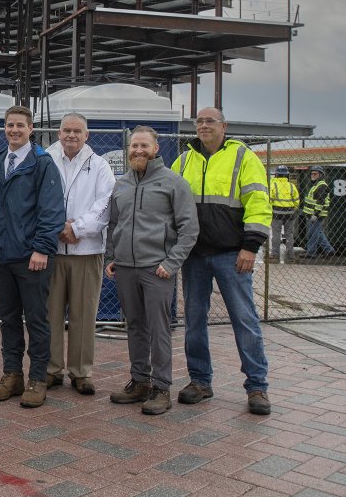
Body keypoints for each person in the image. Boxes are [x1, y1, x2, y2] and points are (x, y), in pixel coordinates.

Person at [171, 107, 273, 415]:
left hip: (232, 255)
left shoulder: (243, 157)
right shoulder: (185, 158)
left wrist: (251, 247)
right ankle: (200, 381)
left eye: (210, 121)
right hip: (194, 256)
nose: (203, 126)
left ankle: (257, 387)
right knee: (194, 321)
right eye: (199, 122)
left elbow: (258, 201)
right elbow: (169, 199)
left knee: (244, 320)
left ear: (223, 126)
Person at [105, 127, 198, 415]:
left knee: (159, 330)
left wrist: (171, 264)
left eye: (144, 145)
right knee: (135, 326)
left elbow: (189, 229)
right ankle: (140, 381)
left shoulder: (173, 183)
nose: (138, 151)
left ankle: (161, 387)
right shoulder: (121, 183)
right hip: (125, 269)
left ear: (156, 149)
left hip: (156, 270)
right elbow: (114, 224)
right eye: (134, 146)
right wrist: (111, 256)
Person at [0, 106, 64, 409]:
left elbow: (52, 209)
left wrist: (42, 248)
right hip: (2, 255)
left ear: (31, 128)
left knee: (36, 319)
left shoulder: (43, 164)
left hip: (31, 257)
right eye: (9, 125)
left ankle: (38, 379)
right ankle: (12, 375)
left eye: (20, 125)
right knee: (8, 320)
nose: (14, 130)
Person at [45, 113, 115, 396]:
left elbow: (106, 203)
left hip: (87, 251)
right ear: (58, 133)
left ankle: (80, 372)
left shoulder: (99, 166)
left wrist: (78, 228)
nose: (71, 135)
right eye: (66, 130)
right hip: (51, 251)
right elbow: (38, 199)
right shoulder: (46, 160)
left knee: (84, 315)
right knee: (49, 314)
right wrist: (55, 228)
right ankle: (50, 369)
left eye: (77, 131)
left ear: (87, 135)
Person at [269, 165, 300, 263]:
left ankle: (275, 254)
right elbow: (296, 200)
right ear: (287, 175)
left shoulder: (273, 185)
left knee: (276, 234)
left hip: (276, 212)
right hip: (290, 213)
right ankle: (290, 255)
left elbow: (269, 199)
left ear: (276, 175)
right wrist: (293, 208)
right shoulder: (292, 186)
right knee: (289, 235)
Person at [302, 167, 335, 259]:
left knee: (312, 234)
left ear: (320, 175)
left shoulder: (321, 186)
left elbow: (321, 201)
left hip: (316, 215)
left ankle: (311, 252)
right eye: (312, 174)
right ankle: (329, 250)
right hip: (312, 214)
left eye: (315, 174)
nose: (312, 175)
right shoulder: (315, 185)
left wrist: (315, 214)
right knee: (318, 232)